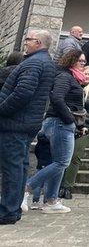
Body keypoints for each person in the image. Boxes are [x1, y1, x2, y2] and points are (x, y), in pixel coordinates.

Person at [0, 30, 56, 224]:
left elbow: (22, 93)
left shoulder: (34, 63)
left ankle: (7, 211)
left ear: (38, 42)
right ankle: (13, 209)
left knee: (12, 169)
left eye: (28, 39)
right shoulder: (44, 61)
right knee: (20, 167)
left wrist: (2, 109)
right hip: (27, 123)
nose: (25, 42)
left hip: (15, 123)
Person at [22, 49, 84, 215]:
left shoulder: (70, 77)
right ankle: (27, 187)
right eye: (81, 61)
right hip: (60, 123)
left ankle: (51, 200)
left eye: (84, 62)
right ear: (72, 61)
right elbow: (57, 97)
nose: (83, 64)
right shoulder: (65, 77)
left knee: (58, 162)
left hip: (59, 123)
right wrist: (69, 118)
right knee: (62, 162)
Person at [60, 58, 89, 199]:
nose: (87, 76)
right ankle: (59, 185)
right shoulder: (74, 86)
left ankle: (67, 186)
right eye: (85, 73)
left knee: (75, 156)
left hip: (86, 126)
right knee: (64, 156)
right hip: (70, 123)